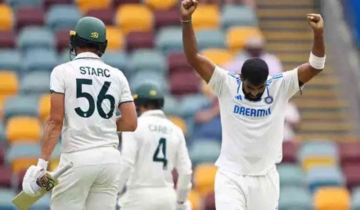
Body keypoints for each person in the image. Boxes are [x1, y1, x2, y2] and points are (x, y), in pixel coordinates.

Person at [180, 0, 326, 209]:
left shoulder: (280, 85)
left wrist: (319, 34)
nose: (255, 93)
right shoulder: (227, 83)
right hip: (231, 176)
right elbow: (193, 57)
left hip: (265, 179)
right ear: (241, 78)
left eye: (260, 89)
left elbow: (316, 65)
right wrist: (186, 20)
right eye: (251, 89)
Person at [21, 17, 137, 210]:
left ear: (74, 42)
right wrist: (100, 123)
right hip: (110, 161)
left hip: (77, 159)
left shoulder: (62, 71)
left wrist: (41, 165)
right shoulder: (117, 75)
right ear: (103, 45)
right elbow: (131, 123)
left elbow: (55, 121)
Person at [117, 83, 193, 210]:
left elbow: (126, 162)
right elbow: (186, 171)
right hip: (168, 197)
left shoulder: (134, 127)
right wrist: (180, 202)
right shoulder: (176, 130)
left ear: (137, 105)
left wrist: (115, 192)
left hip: (138, 197)